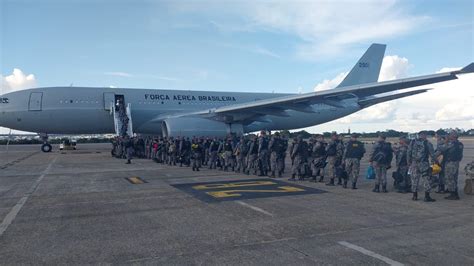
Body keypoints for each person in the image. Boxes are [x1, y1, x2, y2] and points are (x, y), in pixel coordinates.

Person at [407, 131, 436, 201]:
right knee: (426, 180)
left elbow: (409, 152)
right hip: (424, 164)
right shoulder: (427, 143)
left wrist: (409, 162)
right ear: (425, 135)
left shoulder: (413, 142)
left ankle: (414, 196)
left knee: (414, 179)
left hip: (414, 163)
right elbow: (432, 154)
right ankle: (427, 196)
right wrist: (433, 163)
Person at [440, 132, 464, 200]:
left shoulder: (451, 144)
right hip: (456, 162)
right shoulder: (460, 144)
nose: (448, 136)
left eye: (450, 135)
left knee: (449, 178)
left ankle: (453, 194)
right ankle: (455, 192)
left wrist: (445, 141)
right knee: (454, 178)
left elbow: (441, 148)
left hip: (450, 163)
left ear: (453, 136)